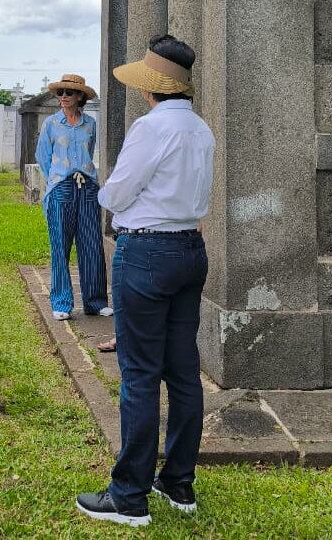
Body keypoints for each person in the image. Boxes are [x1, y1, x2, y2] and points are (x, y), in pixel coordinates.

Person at [76, 35, 215, 527]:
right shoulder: (201, 130)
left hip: (148, 252)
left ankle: (129, 495)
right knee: (182, 371)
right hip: (189, 250)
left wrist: (117, 194)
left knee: (139, 374)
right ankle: (178, 482)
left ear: (149, 88)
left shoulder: (150, 128)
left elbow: (113, 195)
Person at [36, 74, 112, 321]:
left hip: (88, 186)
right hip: (61, 187)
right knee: (60, 245)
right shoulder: (51, 124)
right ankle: (61, 302)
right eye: (60, 93)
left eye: (69, 93)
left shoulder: (90, 123)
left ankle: (95, 301)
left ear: (80, 96)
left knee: (91, 244)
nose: (64, 97)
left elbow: (88, 153)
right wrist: (57, 180)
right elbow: (43, 157)